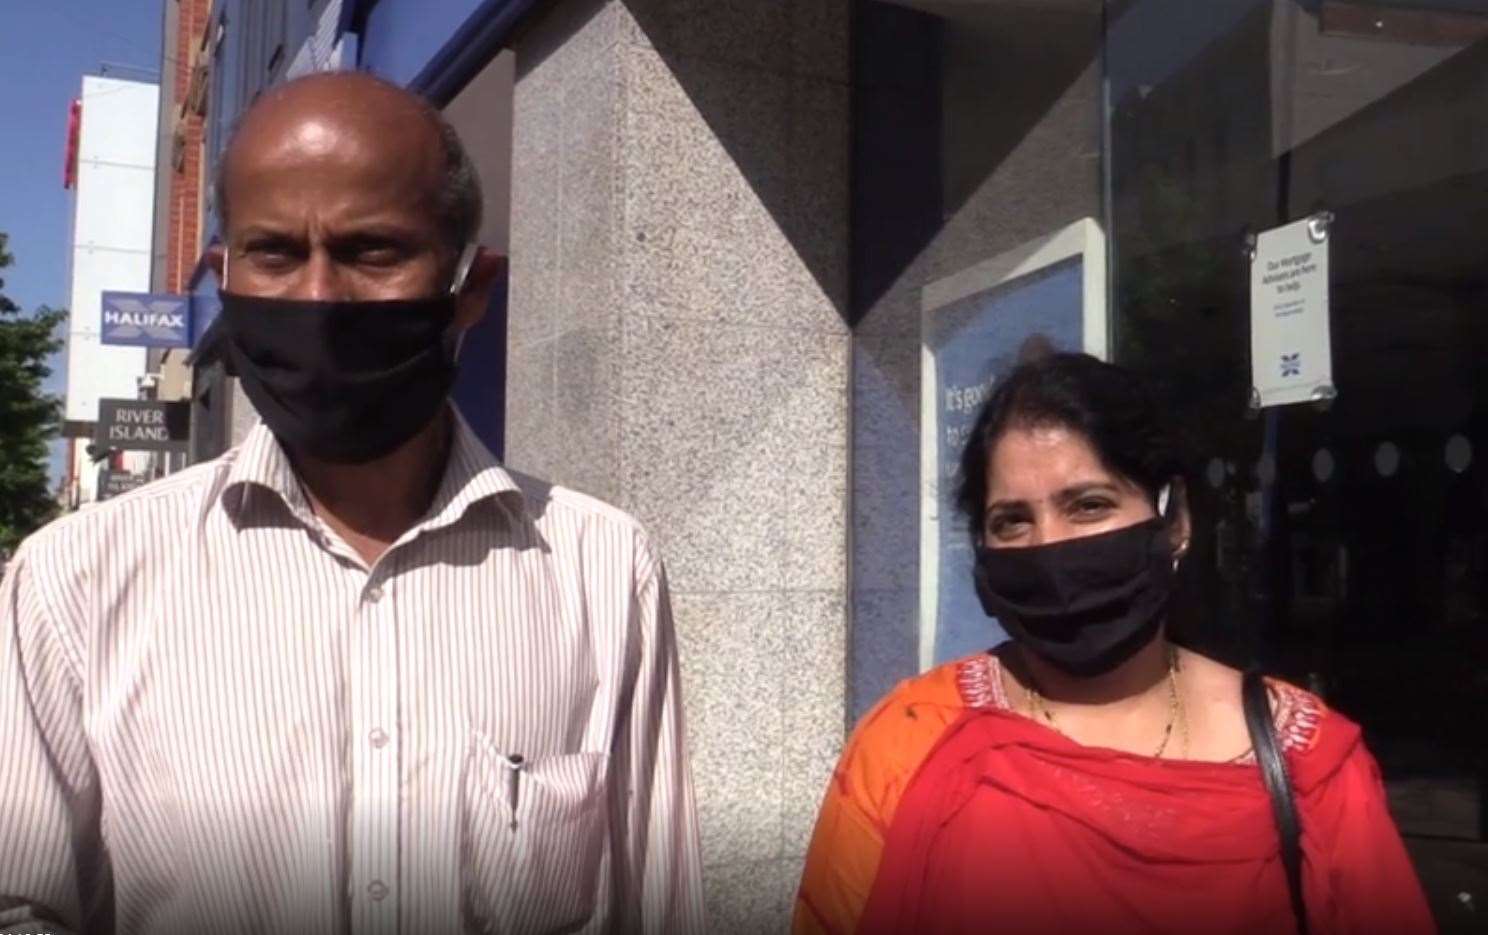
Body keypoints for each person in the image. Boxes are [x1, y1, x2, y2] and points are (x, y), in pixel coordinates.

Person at [0, 73, 704, 934]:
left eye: (372, 252)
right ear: (224, 278)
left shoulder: (602, 568)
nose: (320, 299)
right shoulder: (74, 582)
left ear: (471, 285)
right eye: (275, 253)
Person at [793, 352, 1433, 934]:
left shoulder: (1309, 762)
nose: (1049, 548)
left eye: (1089, 506)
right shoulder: (910, 741)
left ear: (1174, 519)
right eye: (1011, 521)